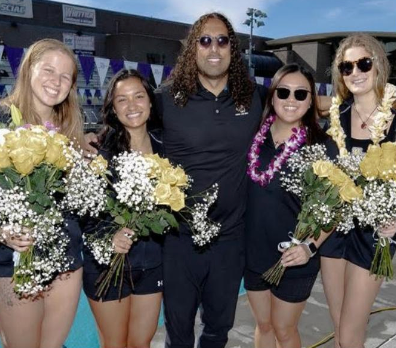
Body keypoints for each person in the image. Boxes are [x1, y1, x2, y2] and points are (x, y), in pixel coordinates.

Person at [155, 12, 265, 348]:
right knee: (179, 334)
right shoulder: (167, 98)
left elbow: (300, 111)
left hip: (230, 240)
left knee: (218, 330)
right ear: (193, 48)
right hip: (178, 240)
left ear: (233, 47)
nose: (213, 47)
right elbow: (126, 129)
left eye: (222, 40)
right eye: (205, 40)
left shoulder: (252, 96)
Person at [244, 64, 336, 348]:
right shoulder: (253, 136)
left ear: (311, 101)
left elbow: (334, 208)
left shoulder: (322, 146)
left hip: (295, 256)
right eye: (283, 92)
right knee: (264, 325)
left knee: (284, 330)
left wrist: (309, 247)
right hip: (253, 251)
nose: (291, 100)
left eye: (301, 94)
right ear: (272, 97)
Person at [0, 38, 84, 348]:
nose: (56, 81)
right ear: (27, 69)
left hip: (66, 261)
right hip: (14, 261)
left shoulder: (71, 131)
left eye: (66, 76)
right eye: (48, 69)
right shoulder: (2, 120)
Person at [320, 33, 396, 348]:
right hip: (335, 231)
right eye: (346, 66)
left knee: (351, 335)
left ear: (378, 65)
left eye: (363, 63)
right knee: (341, 330)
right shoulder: (336, 119)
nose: (356, 72)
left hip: (375, 234)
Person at [81, 69, 163, 348]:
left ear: (151, 101)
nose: (132, 106)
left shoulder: (168, 148)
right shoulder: (99, 151)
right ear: (113, 108)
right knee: (114, 344)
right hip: (106, 265)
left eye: (139, 96)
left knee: (141, 342)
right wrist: (108, 238)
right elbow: (85, 213)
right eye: (122, 99)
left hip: (152, 263)